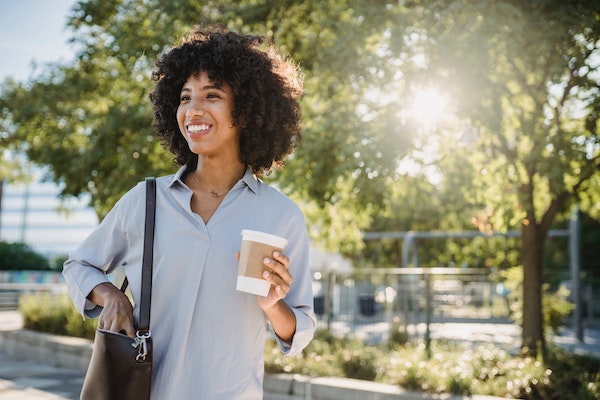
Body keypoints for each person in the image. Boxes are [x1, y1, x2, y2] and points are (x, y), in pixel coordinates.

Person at [63, 27, 316, 399]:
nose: (193, 109)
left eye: (212, 95)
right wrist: (111, 295)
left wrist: (273, 305)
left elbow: (301, 328)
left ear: (245, 110)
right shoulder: (145, 200)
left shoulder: (281, 215)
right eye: (184, 98)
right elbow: (78, 265)